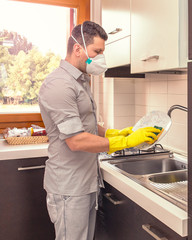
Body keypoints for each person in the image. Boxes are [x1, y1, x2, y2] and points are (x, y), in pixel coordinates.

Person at [39, 21, 160, 240]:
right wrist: (126, 142)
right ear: (78, 49)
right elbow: (76, 140)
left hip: (85, 181)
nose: (101, 58)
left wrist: (115, 133)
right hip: (69, 186)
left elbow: (86, 124)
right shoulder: (58, 85)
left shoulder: (81, 81)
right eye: (97, 51)